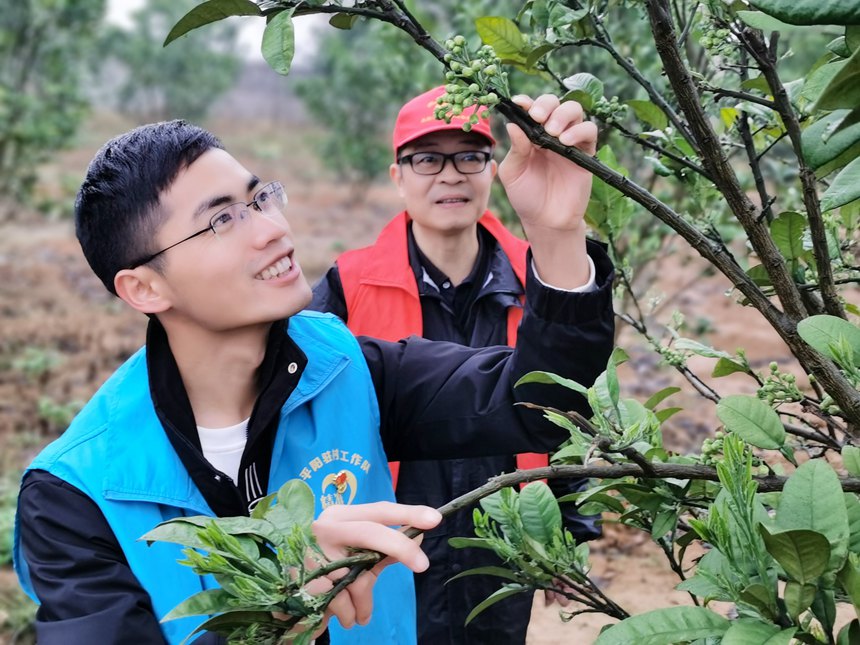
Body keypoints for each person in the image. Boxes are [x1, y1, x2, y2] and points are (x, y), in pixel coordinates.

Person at [13, 93, 614, 645]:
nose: (274, 230)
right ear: (144, 286)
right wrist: (274, 605)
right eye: (224, 219)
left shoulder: (346, 369)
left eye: (260, 199)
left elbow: (534, 404)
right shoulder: (76, 494)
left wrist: (556, 236)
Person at [310, 85, 603, 643]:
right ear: (398, 175)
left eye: (469, 156)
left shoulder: (543, 274)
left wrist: (570, 530)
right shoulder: (349, 283)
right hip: (389, 542)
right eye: (427, 158)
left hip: (504, 542)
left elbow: (574, 410)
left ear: (492, 169)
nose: (451, 175)